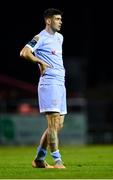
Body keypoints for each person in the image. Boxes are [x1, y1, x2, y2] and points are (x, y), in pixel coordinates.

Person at [20, 8, 67, 169]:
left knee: (58, 125)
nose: (60, 22)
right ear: (48, 21)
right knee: (53, 123)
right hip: (49, 83)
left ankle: (39, 159)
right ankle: (57, 160)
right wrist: (39, 61)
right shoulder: (40, 37)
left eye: (61, 19)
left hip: (60, 83)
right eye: (57, 19)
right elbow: (24, 52)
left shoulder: (60, 38)